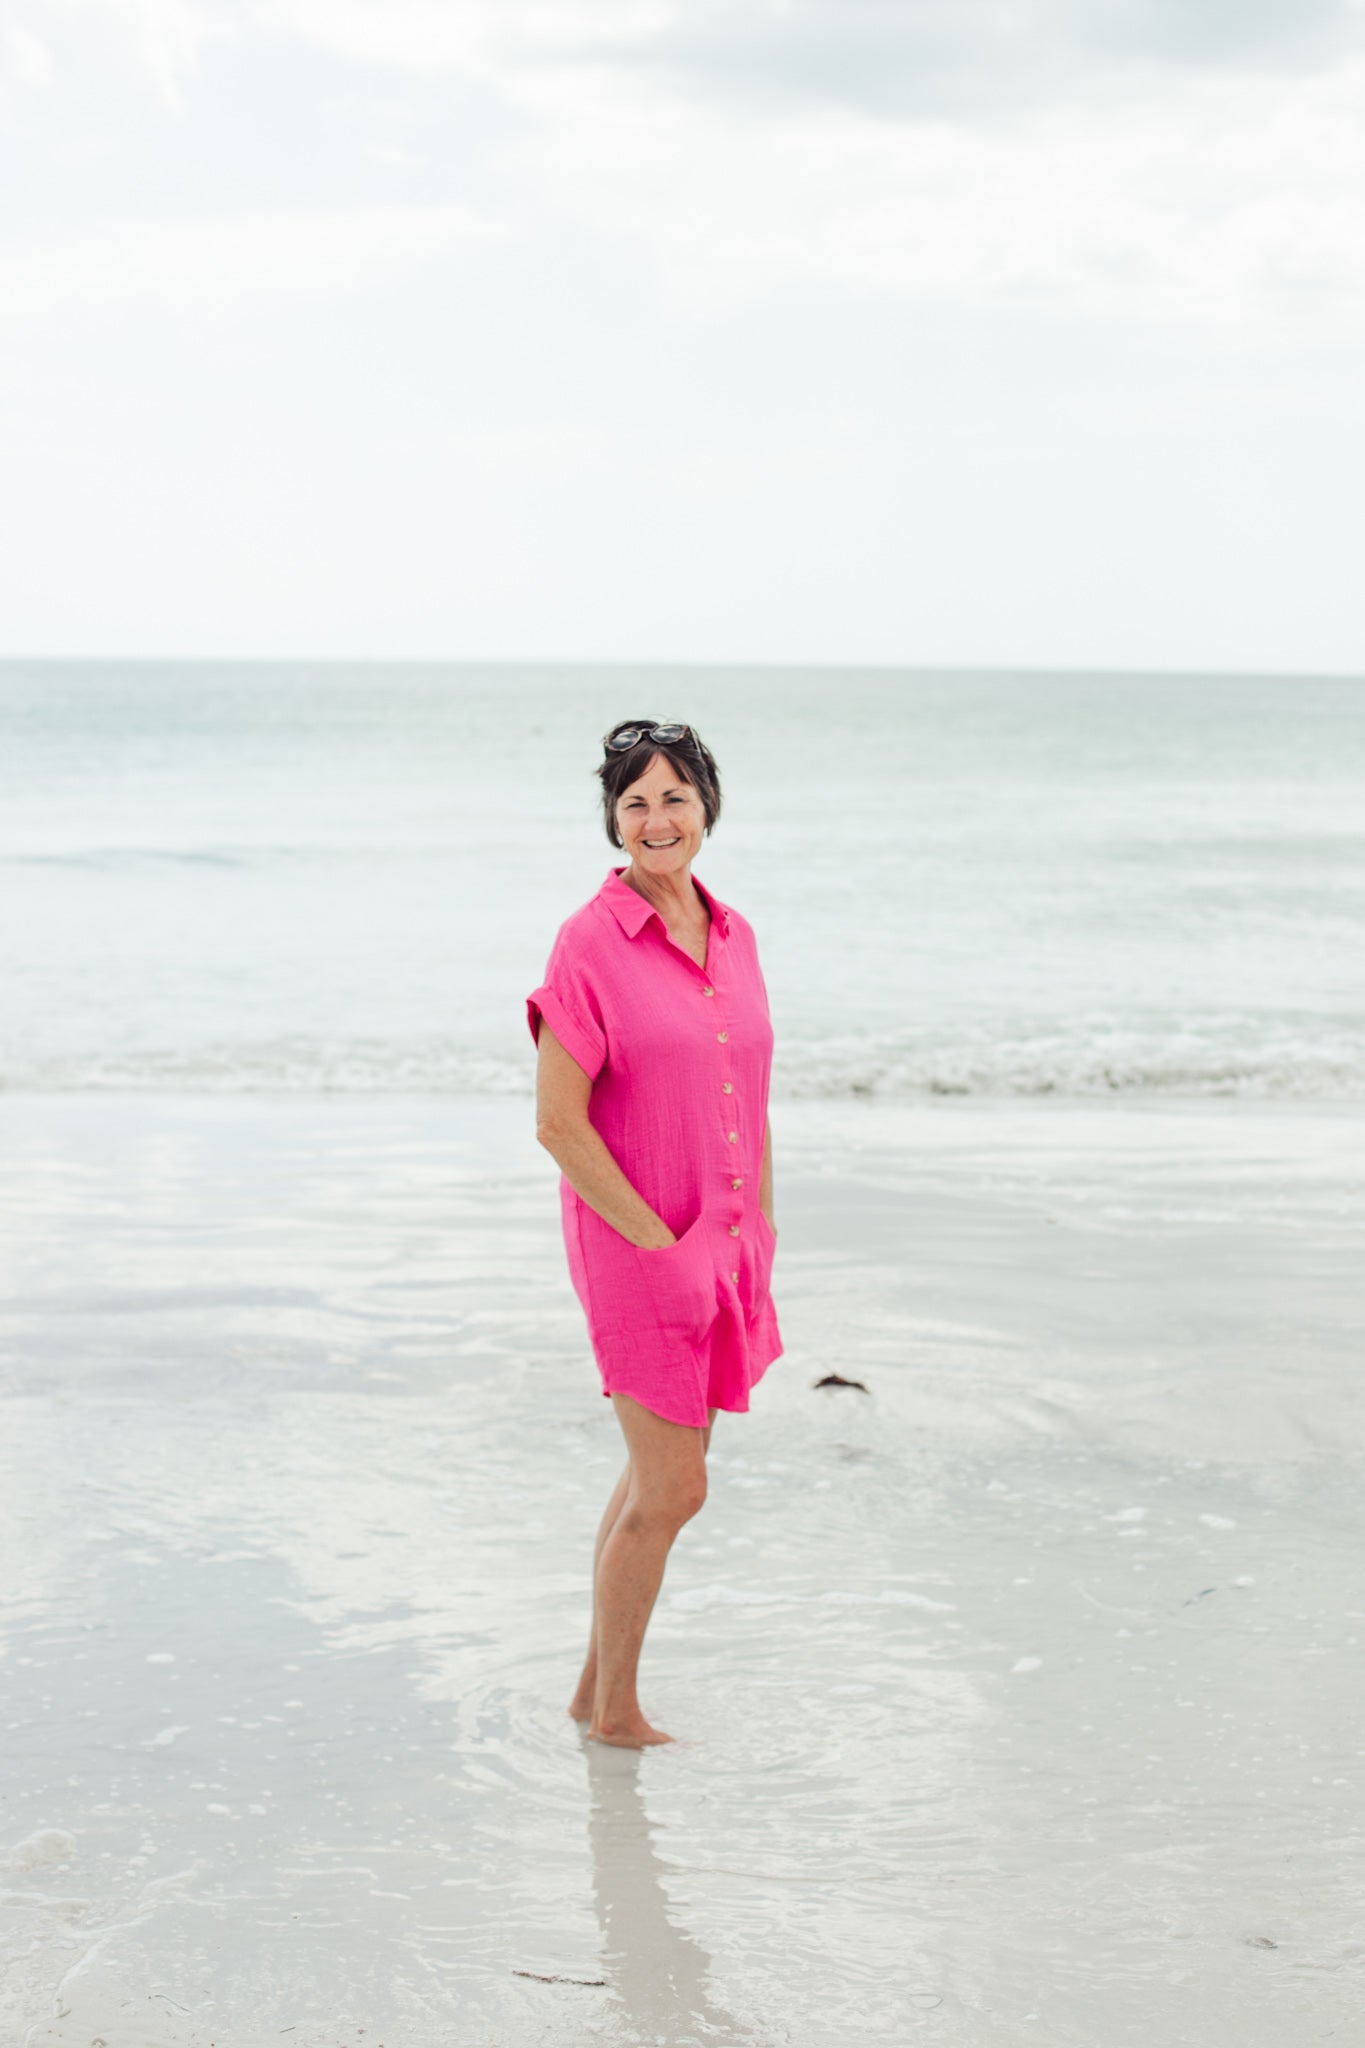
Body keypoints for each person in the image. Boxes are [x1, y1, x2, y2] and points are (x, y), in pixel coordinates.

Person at [527, 719, 782, 1747]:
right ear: (614, 821)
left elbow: (750, 1093)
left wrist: (758, 1227)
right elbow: (558, 1121)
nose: (657, 818)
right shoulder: (591, 940)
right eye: (636, 802)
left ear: (707, 808)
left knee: (650, 1480)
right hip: (638, 1247)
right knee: (675, 1484)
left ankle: (596, 1690)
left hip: (724, 1240)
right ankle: (616, 1712)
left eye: (675, 796)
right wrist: (661, 1245)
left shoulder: (735, 934)